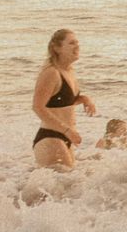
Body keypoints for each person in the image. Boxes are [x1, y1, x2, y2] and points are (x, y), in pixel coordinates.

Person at [31, 28, 97, 170]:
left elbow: (62, 102)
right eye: (72, 43)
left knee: (66, 188)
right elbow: (38, 107)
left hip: (65, 138)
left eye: (77, 42)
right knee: (65, 186)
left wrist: (85, 99)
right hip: (50, 137)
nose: (77, 46)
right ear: (57, 48)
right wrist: (67, 131)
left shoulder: (69, 71)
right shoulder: (51, 73)